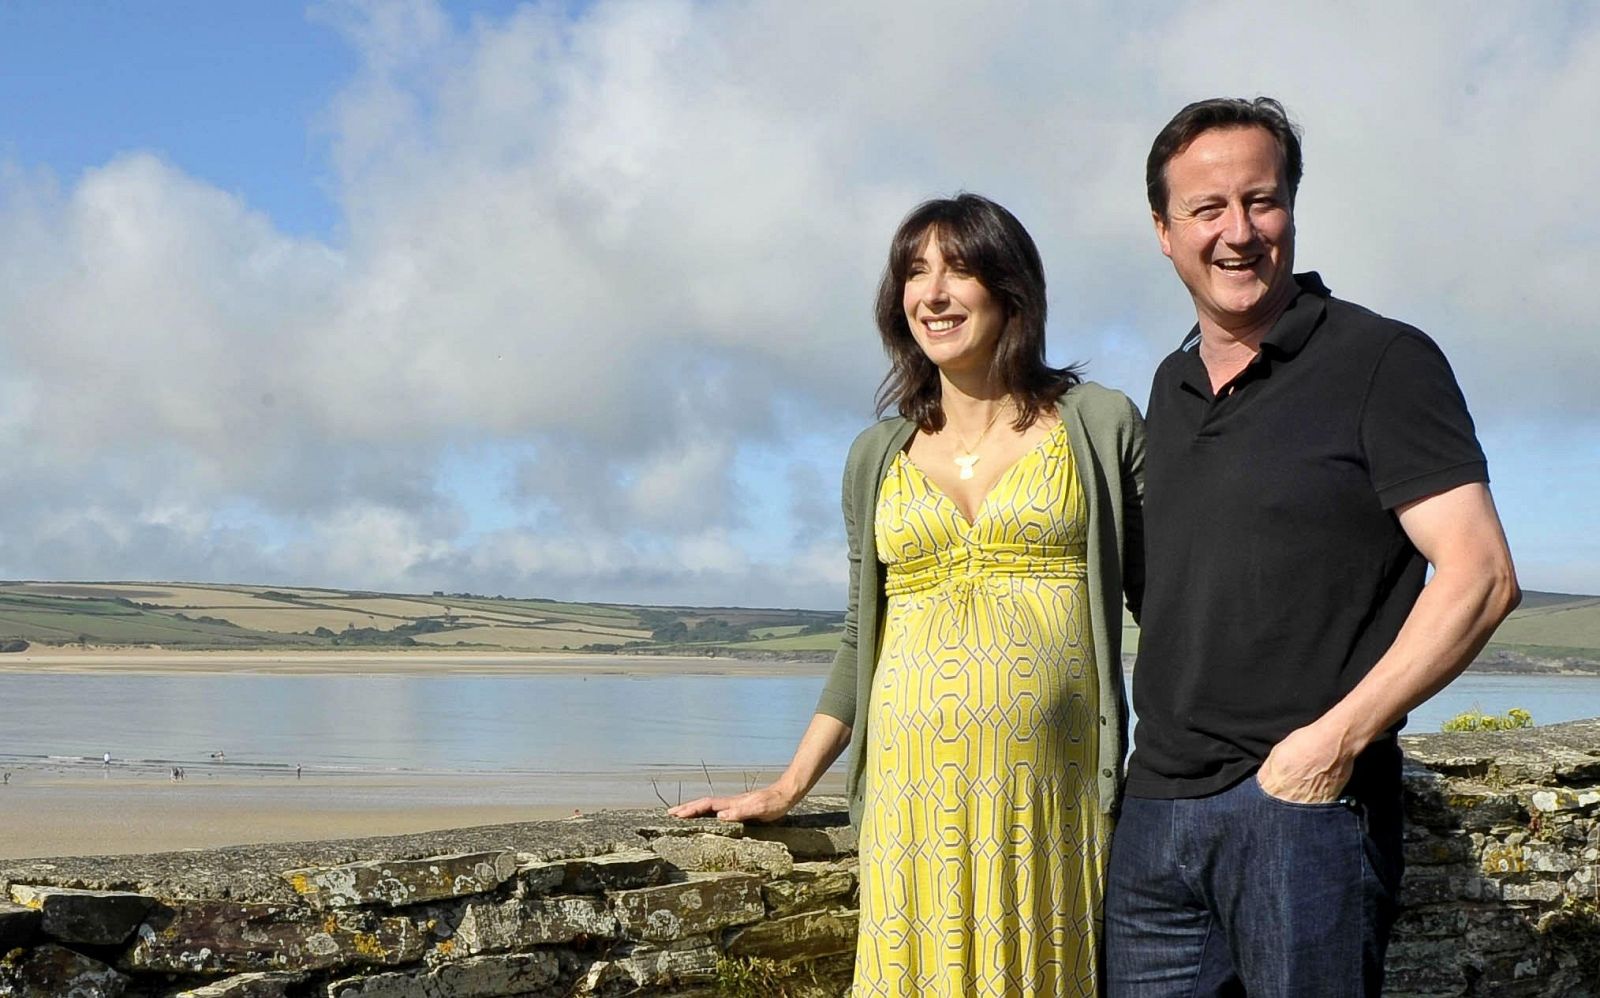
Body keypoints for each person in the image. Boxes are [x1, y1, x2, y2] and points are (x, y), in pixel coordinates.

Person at [671, 193, 1145, 995]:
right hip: (909, 799)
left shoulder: (1098, 424)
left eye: (959, 270)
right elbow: (863, 636)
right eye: (915, 273)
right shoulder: (875, 455)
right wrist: (791, 785)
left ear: (1011, 290)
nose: (933, 293)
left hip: (1050, 802)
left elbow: (1166, 602)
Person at [1105, 97, 1521, 997]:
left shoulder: (1382, 359)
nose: (1239, 232)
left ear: (1292, 208)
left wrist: (1330, 747)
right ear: (1163, 233)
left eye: (1262, 201)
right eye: (1207, 210)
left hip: (1302, 817)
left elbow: (1482, 574)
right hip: (1153, 818)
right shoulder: (1168, 388)